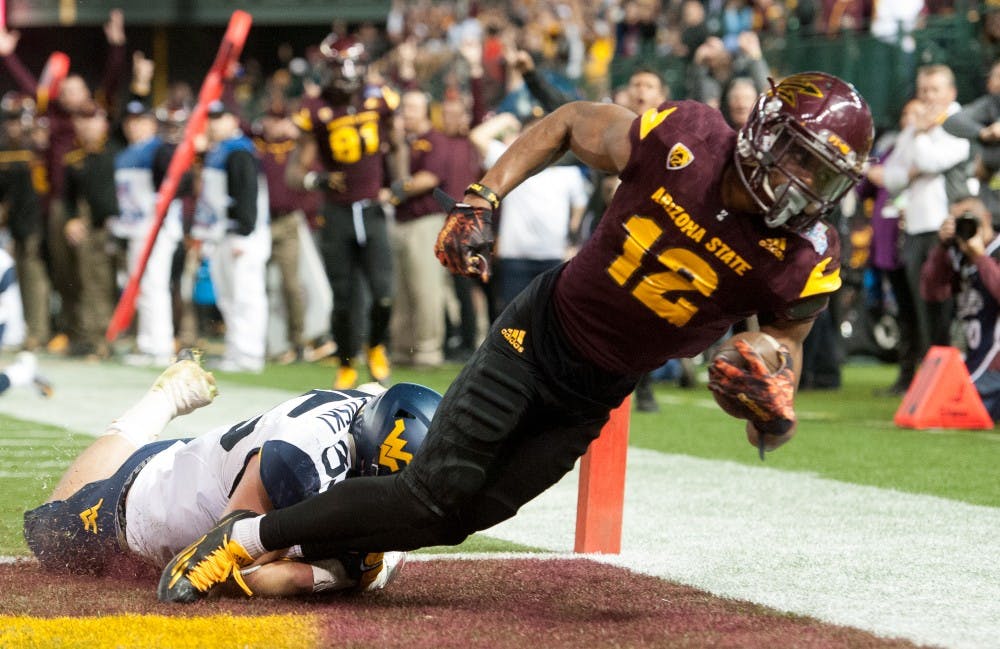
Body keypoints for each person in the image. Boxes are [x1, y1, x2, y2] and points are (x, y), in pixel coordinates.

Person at [157, 71, 874, 603]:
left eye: (825, 174)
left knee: (452, 518)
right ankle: (245, 536)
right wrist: (483, 194)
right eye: (803, 157)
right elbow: (567, 123)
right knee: (433, 492)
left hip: (597, 390)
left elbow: (787, 338)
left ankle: (336, 551)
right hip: (539, 336)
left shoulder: (805, 254)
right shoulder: (687, 138)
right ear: (766, 132)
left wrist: (768, 384)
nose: (807, 183)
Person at [24, 352, 440, 598]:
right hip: (147, 503)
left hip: (213, 466)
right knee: (45, 532)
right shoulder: (302, 462)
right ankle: (159, 405)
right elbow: (226, 565)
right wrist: (333, 576)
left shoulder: (377, 405)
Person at [285, 33, 403, 389]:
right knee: (343, 299)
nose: (348, 75)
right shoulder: (315, 109)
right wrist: (317, 182)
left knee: (384, 292)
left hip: (371, 209)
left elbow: (397, 145)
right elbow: (294, 172)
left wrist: (400, 182)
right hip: (336, 214)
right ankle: (348, 361)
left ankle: (376, 343)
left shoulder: (380, 98)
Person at [881, 64, 972, 393]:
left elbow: (933, 163)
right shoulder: (919, 127)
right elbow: (892, 173)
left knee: (945, 310)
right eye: (923, 91)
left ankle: (950, 383)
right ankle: (930, 381)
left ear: (951, 93)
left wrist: (918, 137)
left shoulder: (960, 125)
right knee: (920, 309)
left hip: (944, 229)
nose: (928, 98)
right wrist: (916, 141)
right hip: (916, 228)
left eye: (935, 90)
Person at [192, 100, 271, 373]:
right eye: (211, 117)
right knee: (228, 296)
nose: (214, 123)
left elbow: (247, 194)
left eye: (220, 117)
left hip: (242, 234)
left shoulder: (239, 151)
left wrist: (243, 232)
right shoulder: (219, 151)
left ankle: (249, 354)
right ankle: (237, 350)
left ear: (234, 120)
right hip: (223, 233)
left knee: (246, 294)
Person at [112, 99, 181, 367]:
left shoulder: (158, 150)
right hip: (136, 228)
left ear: (152, 123)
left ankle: (160, 345)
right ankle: (147, 342)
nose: (134, 126)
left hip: (157, 229)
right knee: (141, 288)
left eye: (140, 121)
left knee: (154, 285)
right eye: (130, 121)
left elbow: (176, 179)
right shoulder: (127, 152)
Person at [920, 197, 1000, 420]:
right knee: (928, 399)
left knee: (948, 407)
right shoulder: (958, 256)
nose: (965, 228)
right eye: (957, 222)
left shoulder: (996, 251)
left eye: (969, 220)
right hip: (972, 358)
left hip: (995, 365)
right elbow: (931, 292)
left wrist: (980, 258)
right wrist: (941, 247)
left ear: (986, 218)